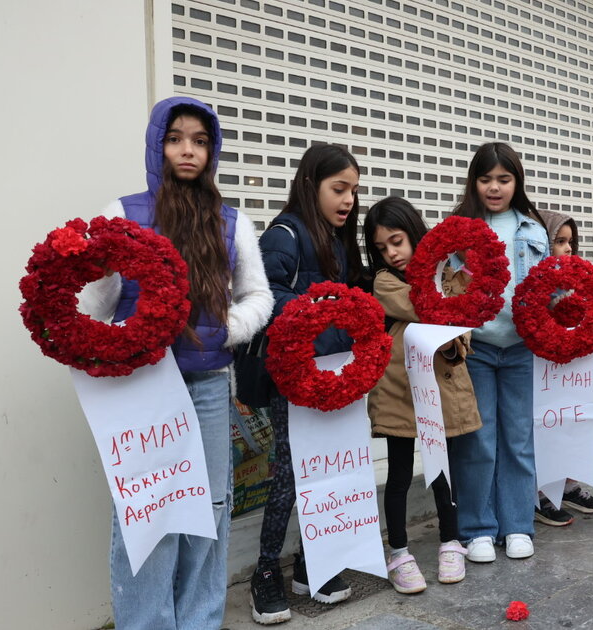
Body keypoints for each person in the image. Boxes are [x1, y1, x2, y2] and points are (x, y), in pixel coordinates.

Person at [79, 96, 273, 629]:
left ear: (212, 151)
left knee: (209, 506)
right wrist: (112, 346)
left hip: (208, 382)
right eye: (175, 138)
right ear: (156, 145)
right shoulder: (122, 214)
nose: (188, 150)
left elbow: (258, 295)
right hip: (143, 386)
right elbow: (94, 303)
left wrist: (226, 329)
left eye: (200, 141)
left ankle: (200, 621)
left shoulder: (232, 222)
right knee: (148, 510)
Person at [250, 144, 367, 620]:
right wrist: (320, 314)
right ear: (310, 185)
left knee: (324, 470)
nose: (348, 200)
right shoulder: (284, 235)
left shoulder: (335, 238)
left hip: (333, 372)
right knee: (289, 474)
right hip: (294, 376)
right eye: (339, 189)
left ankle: (309, 563)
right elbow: (265, 296)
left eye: (353, 191)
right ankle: (265, 572)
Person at [363, 197, 480, 594]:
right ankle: (399, 552)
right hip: (398, 390)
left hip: (441, 388)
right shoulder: (385, 281)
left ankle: (451, 542)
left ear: (414, 233)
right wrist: (447, 306)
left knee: (443, 472)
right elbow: (425, 306)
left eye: (396, 241)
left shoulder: (449, 272)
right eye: (381, 248)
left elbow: (463, 321)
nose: (391, 253)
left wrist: (454, 343)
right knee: (398, 475)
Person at [447, 142, 549, 563]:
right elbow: (443, 286)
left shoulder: (533, 229)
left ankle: (518, 524)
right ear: (474, 182)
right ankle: (478, 529)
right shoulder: (459, 228)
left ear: (516, 182)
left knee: (519, 440)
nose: (494, 187)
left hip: (521, 349)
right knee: (479, 440)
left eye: (504, 179)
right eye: (486, 179)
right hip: (477, 349)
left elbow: (549, 288)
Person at [531, 209, 593, 527]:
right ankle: (541, 494)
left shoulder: (578, 281)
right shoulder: (535, 284)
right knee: (547, 430)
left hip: (572, 370)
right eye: (559, 241)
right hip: (544, 371)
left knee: (571, 425)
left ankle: (568, 485)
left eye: (571, 242)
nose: (568, 248)